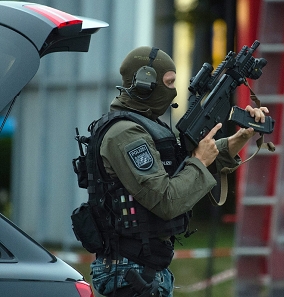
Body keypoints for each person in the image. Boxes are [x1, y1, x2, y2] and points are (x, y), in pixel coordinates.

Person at [88, 46, 268, 297]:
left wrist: (241, 137)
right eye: (168, 82)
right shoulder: (125, 134)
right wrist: (200, 161)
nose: (173, 90)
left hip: (143, 270)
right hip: (131, 272)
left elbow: (185, 165)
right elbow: (166, 200)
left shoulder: (145, 126)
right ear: (144, 84)